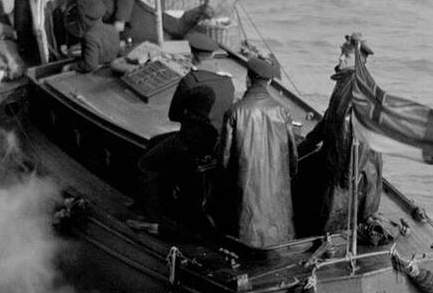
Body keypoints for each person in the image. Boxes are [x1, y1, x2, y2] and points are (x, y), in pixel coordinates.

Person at [133, 32, 235, 229]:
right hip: (214, 144)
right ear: (212, 55)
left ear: (192, 54)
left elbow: (174, 114)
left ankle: (153, 217)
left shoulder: (190, 81)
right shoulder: (227, 81)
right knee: (155, 142)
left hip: (189, 143)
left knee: (146, 166)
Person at [293, 33, 383, 235]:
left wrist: (347, 177)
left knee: (335, 215)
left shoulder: (358, 90)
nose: (340, 59)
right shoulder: (344, 82)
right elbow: (329, 119)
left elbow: (358, 139)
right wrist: (306, 145)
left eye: (346, 56)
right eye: (341, 54)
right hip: (339, 159)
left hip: (352, 167)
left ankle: (332, 240)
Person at [216, 56, 298, 247]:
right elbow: (293, 157)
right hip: (277, 190)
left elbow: (224, 160)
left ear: (248, 79)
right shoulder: (283, 111)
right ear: (269, 81)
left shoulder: (235, 111)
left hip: (246, 195)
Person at [64, 0, 119, 73]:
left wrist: (70, 67)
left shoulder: (90, 37)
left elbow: (90, 65)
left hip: (97, 73)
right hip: (111, 69)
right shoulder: (112, 29)